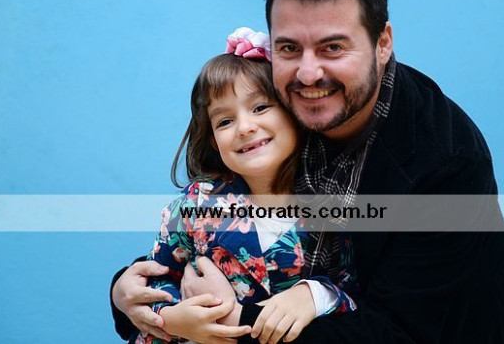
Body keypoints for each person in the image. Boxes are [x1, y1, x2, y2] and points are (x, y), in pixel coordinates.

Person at [112, 0, 504, 344]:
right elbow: (200, 236)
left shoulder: (446, 164)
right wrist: (126, 294)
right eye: (289, 48)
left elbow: (395, 332)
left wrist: (234, 321)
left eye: (333, 47)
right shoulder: (284, 110)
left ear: (383, 43)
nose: (309, 74)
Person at [127, 27, 358, 344]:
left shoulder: (334, 202)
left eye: (260, 108)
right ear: (213, 140)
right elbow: (155, 277)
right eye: (225, 121)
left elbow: (354, 288)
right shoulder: (195, 204)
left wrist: (313, 294)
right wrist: (172, 318)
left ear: (294, 112)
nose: (245, 127)